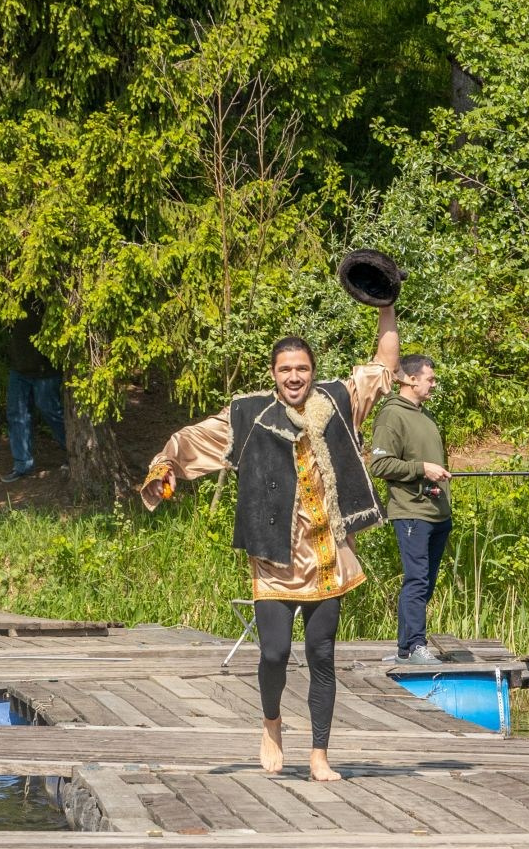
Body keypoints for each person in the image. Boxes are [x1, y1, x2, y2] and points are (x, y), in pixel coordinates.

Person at [141, 303, 401, 783]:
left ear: (313, 372)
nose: (295, 377)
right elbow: (191, 440)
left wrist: (386, 306)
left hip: (328, 557)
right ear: (273, 374)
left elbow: (384, 365)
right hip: (275, 556)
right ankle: (271, 725)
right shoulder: (248, 413)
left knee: (322, 654)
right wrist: (164, 468)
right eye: (286, 370)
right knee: (275, 653)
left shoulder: (338, 402)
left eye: (302, 368)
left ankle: (320, 754)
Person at [369, 353, 452, 667]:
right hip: (411, 512)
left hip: (438, 513)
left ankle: (405, 649)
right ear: (410, 379)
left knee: (426, 582)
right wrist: (422, 469)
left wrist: (434, 472)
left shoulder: (425, 415)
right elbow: (380, 463)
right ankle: (416, 646)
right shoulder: (392, 415)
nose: (433, 383)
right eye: (429, 378)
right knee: (416, 580)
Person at [3, 315, 68, 484]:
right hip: (19, 367)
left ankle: (74, 452)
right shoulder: (11, 299)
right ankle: (22, 465)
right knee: (16, 413)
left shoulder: (47, 299)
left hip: (46, 369)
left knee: (50, 410)